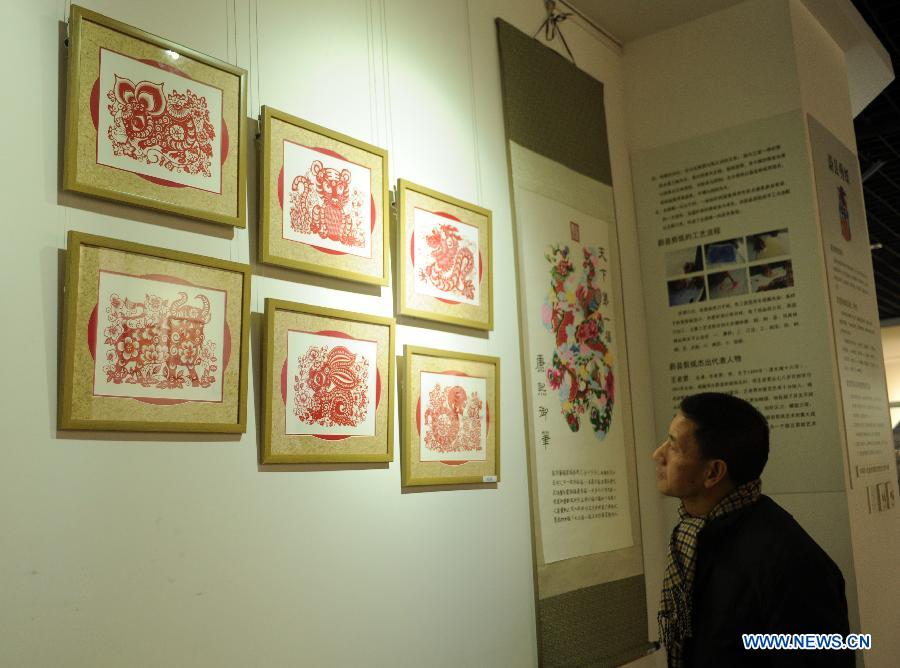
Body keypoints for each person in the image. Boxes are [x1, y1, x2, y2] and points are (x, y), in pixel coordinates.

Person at [652, 392, 851, 667]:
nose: (658, 454)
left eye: (674, 446)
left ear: (713, 473)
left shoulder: (789, 560)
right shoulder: (696, 535)